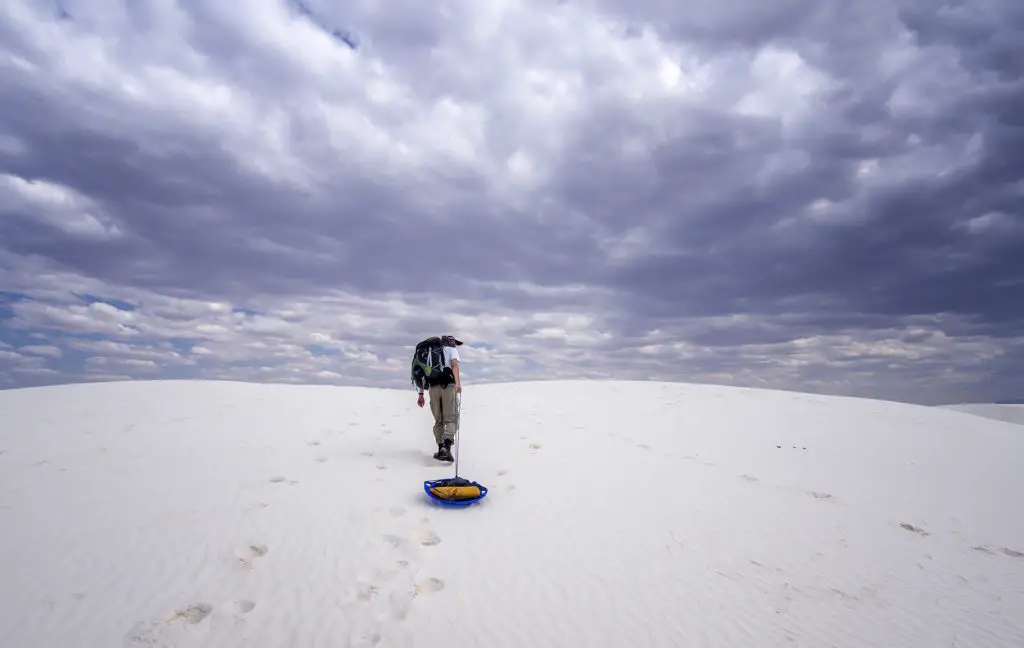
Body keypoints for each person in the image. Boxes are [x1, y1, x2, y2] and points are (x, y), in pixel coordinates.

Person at [416, 335, 463, 461]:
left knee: (439, 420)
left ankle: (440, 447)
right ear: (452, 343)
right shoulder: (452, 350)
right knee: (451, 418)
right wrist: (458, 384)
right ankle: (446, 448)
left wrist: (421, 394)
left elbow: (422, 375)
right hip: (448, 386)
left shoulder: (430, 353)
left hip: (433, 388)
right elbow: (454, 366)